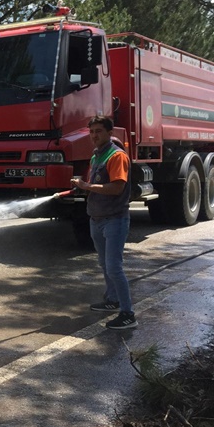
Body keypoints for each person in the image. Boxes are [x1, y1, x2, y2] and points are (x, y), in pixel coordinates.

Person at [71, 115, 136, 329]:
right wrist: (82, 186)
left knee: (114, 267)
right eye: (91, 132)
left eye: (98, 131)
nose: (94, 136)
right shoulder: (96, 156)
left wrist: (86, 187)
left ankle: (127, 314)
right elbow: (95, 183)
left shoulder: (116, 156)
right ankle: (113, 300)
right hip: (96, 218)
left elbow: (116, 187)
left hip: (115, 219)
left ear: (110, 133)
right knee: (104, 264)